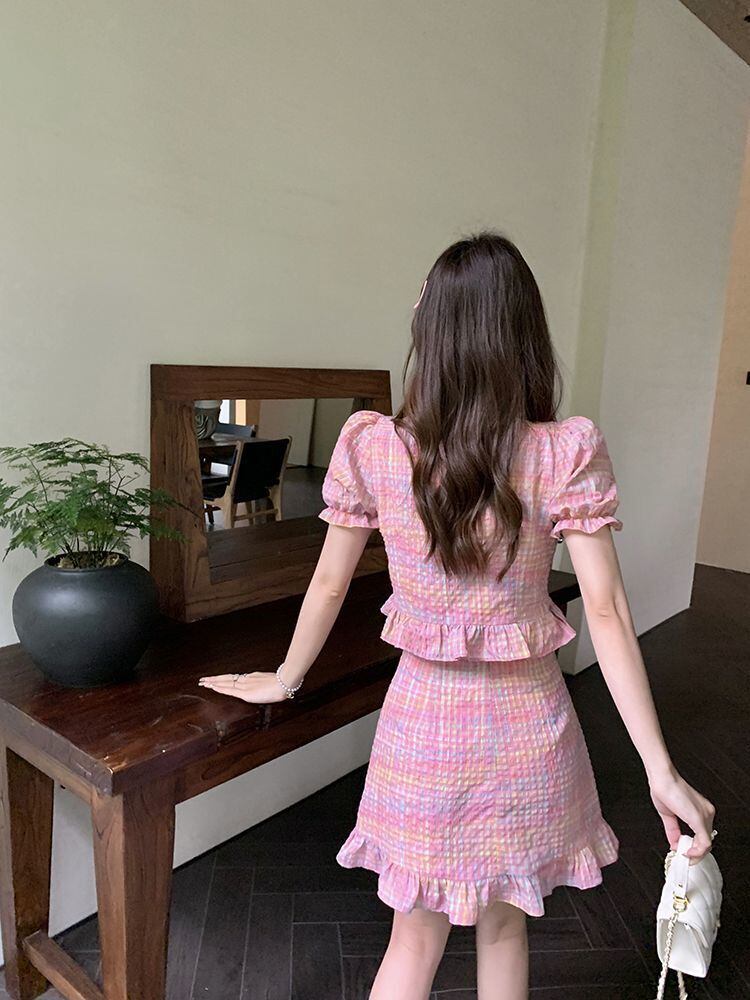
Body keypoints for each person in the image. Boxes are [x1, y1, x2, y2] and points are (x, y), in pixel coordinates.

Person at [199, 231, 716, 1000]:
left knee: (412, 942)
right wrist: (659, 770)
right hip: (528, 734)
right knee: (505, 931)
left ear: (431, 328)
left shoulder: (375, 448)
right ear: (525, 333)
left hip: (421, 736)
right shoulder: (563, 452)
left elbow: (330, 585)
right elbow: (605, 610)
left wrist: (286, 677)